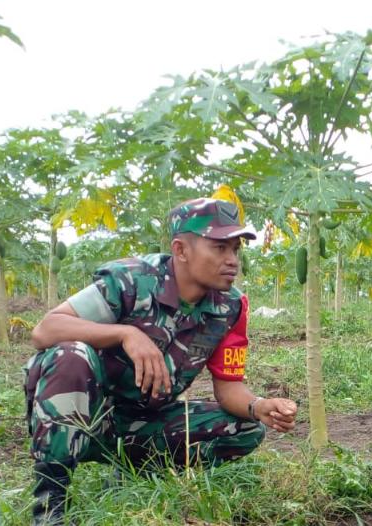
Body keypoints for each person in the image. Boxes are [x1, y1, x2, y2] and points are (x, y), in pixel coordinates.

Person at [24, 197, 298, 525]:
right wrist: (125, 333)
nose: (232, 260)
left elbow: (229, 388)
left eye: (235, 250)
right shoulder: (130, 281)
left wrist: (259, 406)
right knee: (70, 355)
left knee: (246, 428)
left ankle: (134, 471)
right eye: (219, 248)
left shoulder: (230, 308)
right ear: (181, 250)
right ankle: (51, 506)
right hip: (86, 417)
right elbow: (45, 330)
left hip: (143, 423)